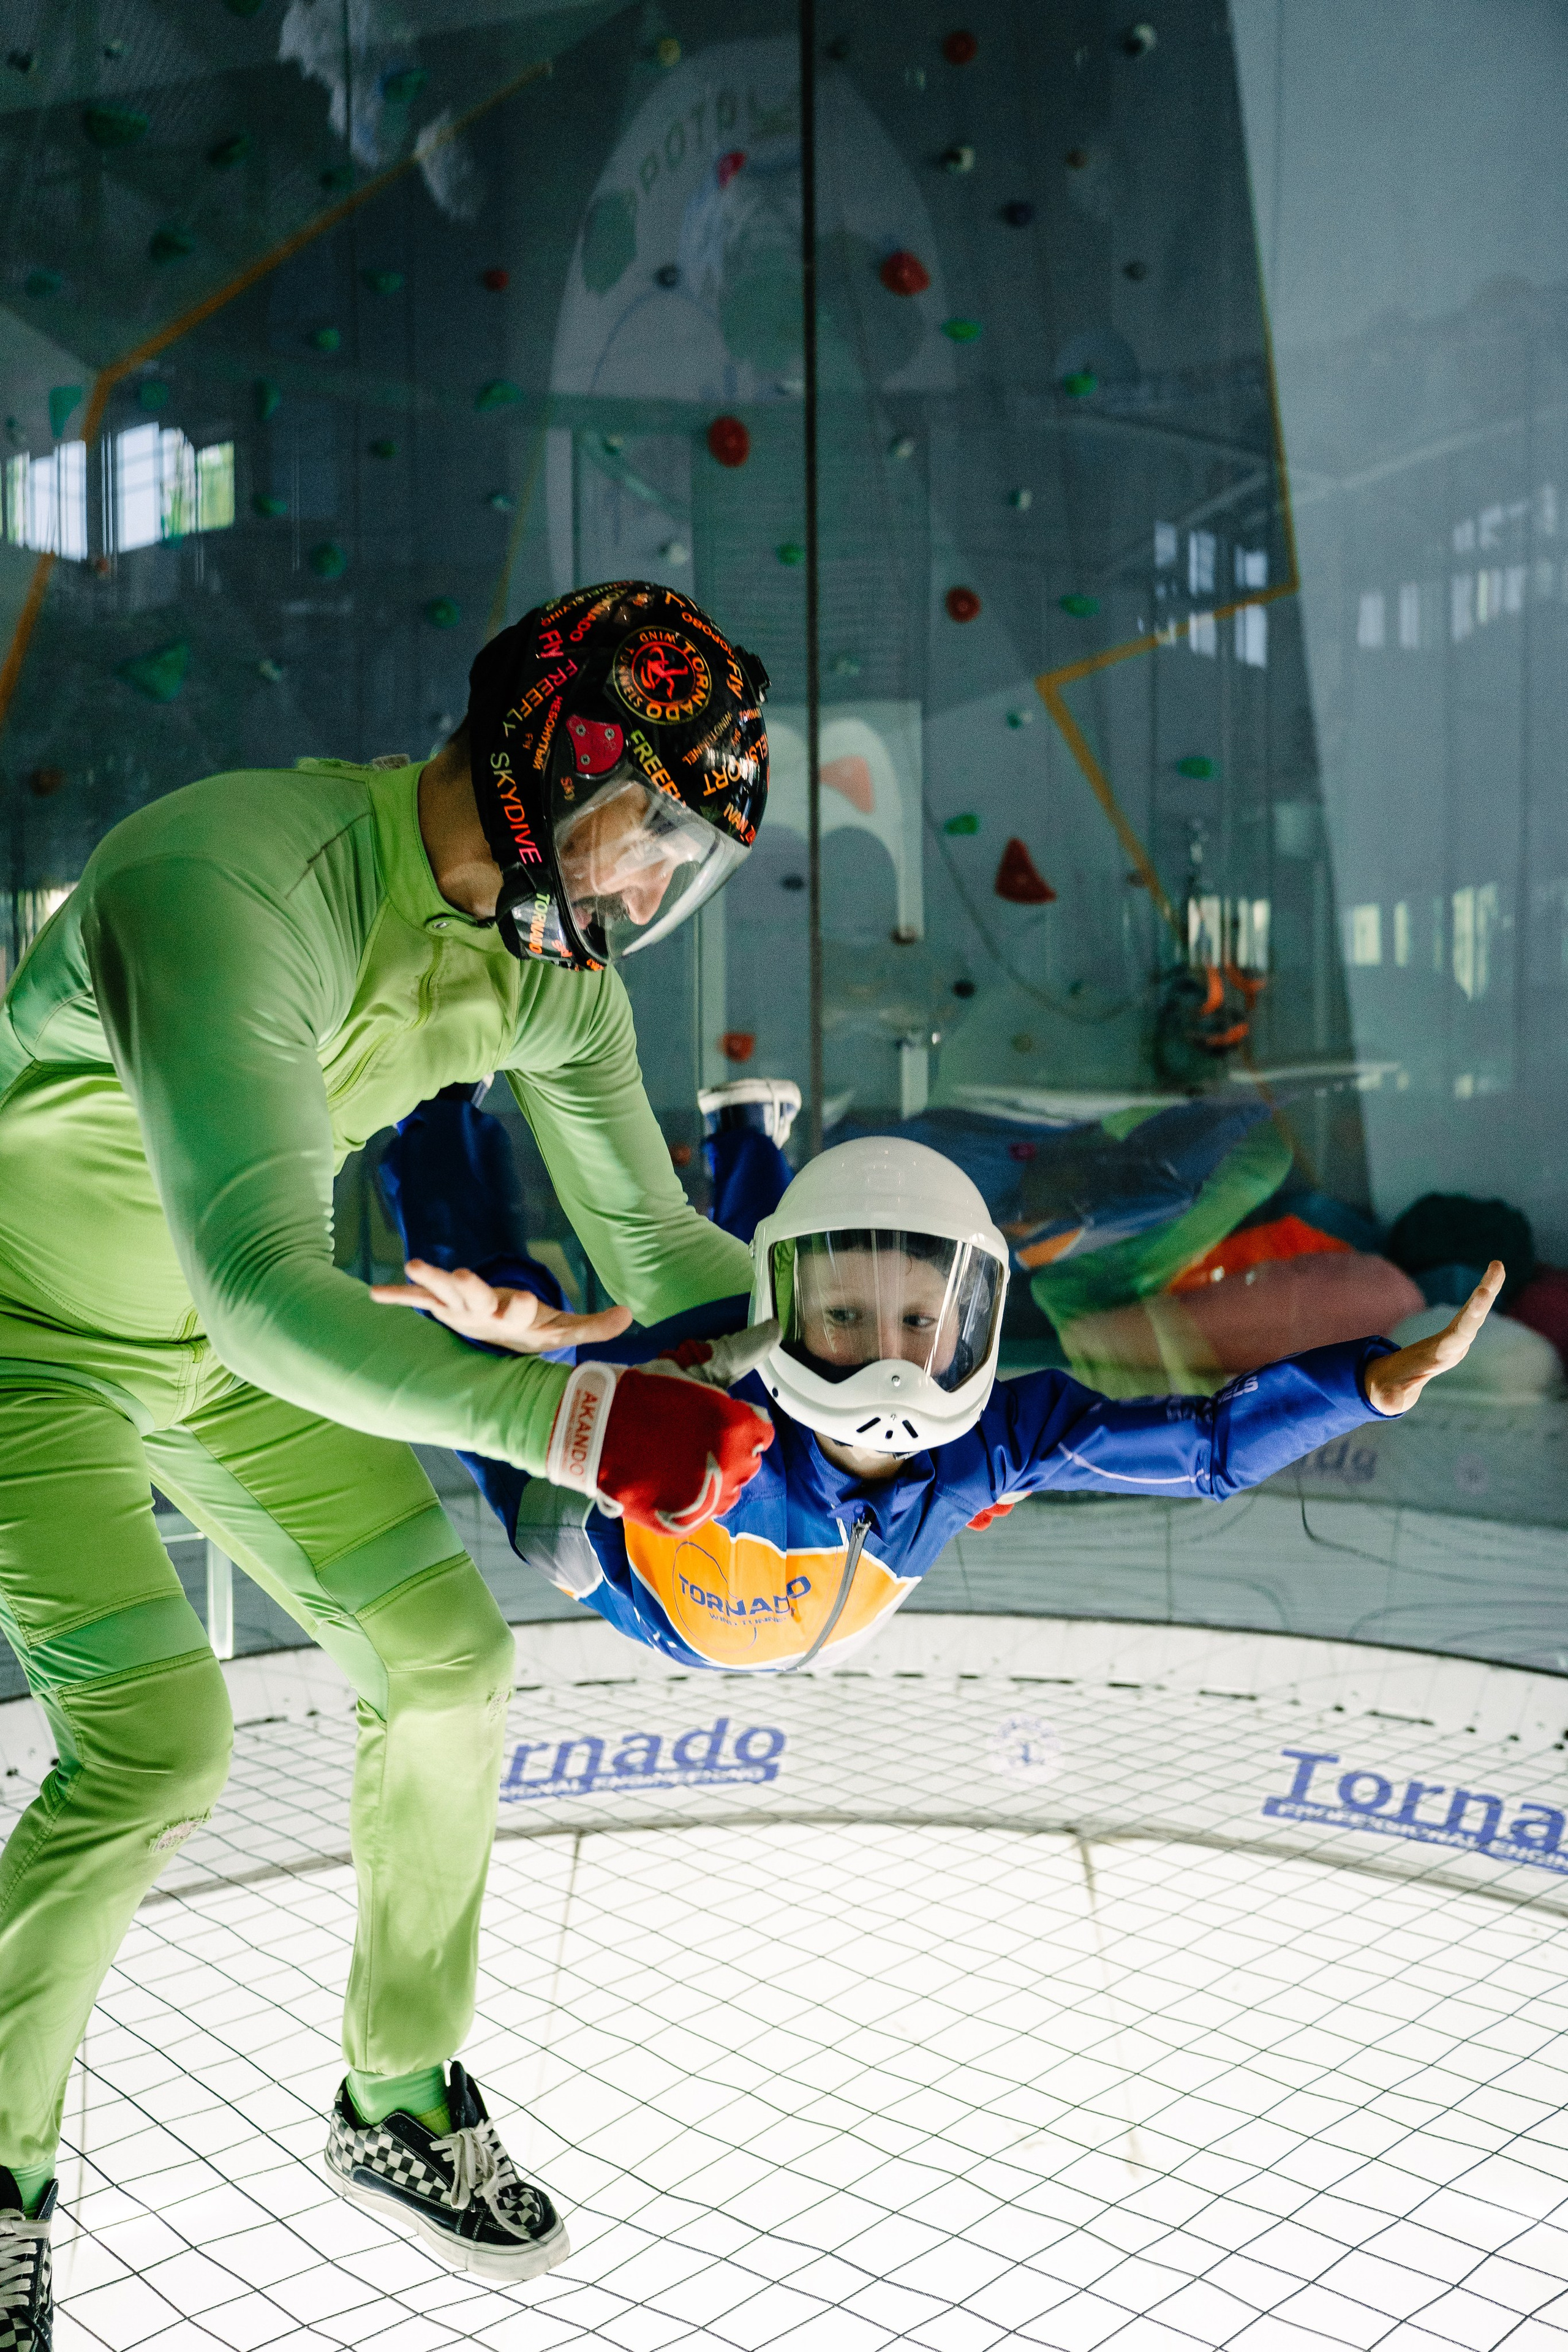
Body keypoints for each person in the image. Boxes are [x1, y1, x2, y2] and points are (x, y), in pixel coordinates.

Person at [0, 580, 778, 2343]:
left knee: (449, 1662)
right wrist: (581, 1425)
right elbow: (275, 1292)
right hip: (22, 1343)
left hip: (217, 1354)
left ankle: (396, 2095)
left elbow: (665, 1259)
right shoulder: (226, 881)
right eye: (652, 828)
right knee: (157, 1747)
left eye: (685, 856)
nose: (653, 888)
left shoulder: (544, 972)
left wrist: (899, 1333)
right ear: (551, 753)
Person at [374, 1093, 1504, 1673]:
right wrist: (530, 1341)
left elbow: (1204, 1451)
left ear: (971, 1320)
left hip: (690, 1601)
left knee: (600, 1360)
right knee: (553, 1388)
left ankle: (717, 1146)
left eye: (917, 1320)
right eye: (849, 1320)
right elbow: (1206, 1453)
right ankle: (460, 1129)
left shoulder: (990, 1445)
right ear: (801, 1316)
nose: (886, 1358)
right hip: (659, 1564)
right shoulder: (721, 1404)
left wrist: (1371, 1386)